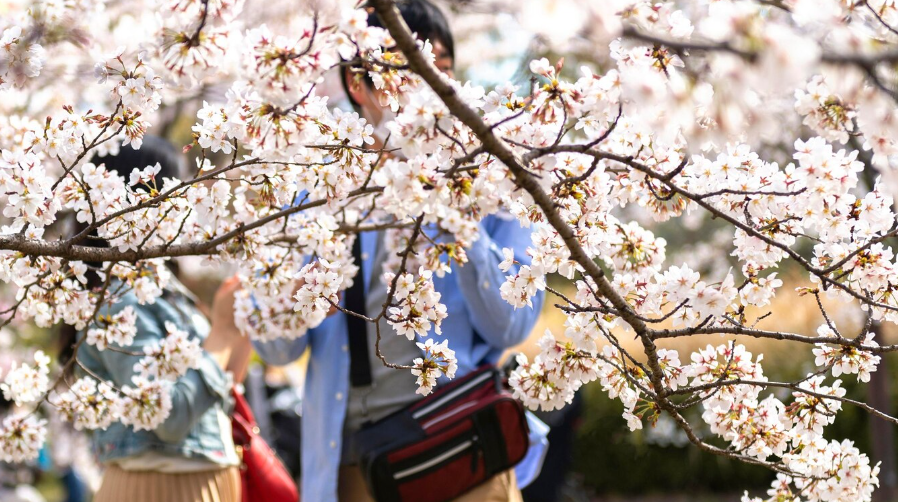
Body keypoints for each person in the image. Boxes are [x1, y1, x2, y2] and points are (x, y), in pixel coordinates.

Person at [253, 2, 546, 501]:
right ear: (357, 85)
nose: (429, 87)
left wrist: (460, 219)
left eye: (442, 69)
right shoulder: (311, 189)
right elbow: (277, 349)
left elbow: (512, 327)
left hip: (462, 446)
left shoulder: (492, 178)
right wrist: (301, 282)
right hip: (356, 462)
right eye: (405, 70)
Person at [65, 136, 252, 502]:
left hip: (208, 479)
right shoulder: (116, 300)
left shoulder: (165, 288)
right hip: (158, 486)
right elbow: (167, 417)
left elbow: (218, 391)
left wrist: (240, 328)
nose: (183, 204)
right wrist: (221, 332)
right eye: (174, 190)